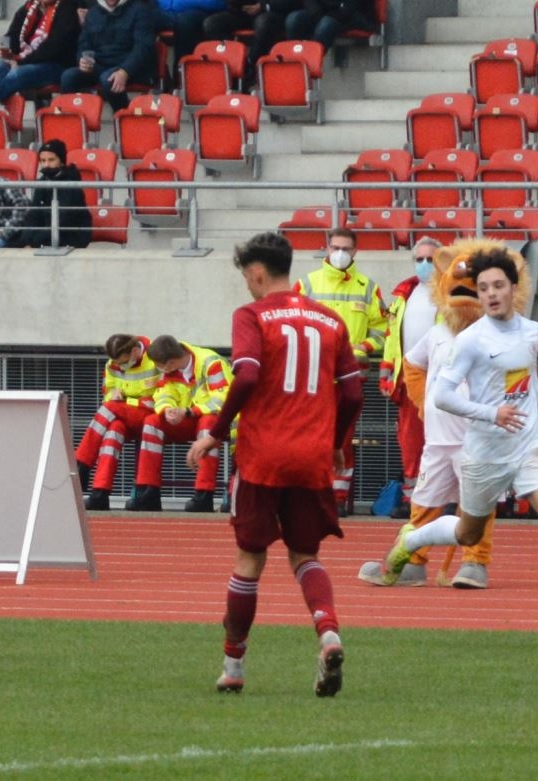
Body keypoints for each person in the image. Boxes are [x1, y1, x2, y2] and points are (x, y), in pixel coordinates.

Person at [374, 242, 538, 640]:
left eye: (498, 286)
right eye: (483, 288)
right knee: (468, 533)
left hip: (527, 444)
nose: (490, 294)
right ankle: (411, 539)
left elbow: (525, 373)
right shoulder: (471, 340)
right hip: (485, 451)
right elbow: (442, 396)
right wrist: (491, 414)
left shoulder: (533, 331)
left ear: (513, 288)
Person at [184, 230, 362, 697]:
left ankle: (233, 666)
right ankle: (328, 632)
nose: (247, 285)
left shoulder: (252, 315)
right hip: (312, 457)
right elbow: (353, 391)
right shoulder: (329, 319)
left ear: (257, 272)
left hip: (263, 457)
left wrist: (216, 431)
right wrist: (337, 442)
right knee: (305, 556)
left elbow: (247, 375)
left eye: (246, 276)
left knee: (250, 558)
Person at [359, 240, 498, 589]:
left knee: (475, 505)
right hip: (437, 439)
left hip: (475, 440)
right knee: (424, 503)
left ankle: (475, 562)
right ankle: (414, 560)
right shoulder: (437, 333)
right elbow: (412, 364)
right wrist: (423, 402)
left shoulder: (494, 335)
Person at [293, 226, 383, 513]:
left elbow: (382, 330)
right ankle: (311, 492)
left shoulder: (367, 287)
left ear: (355, 251)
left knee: (343, 437)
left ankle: (337, 497)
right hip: (313, 376)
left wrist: (363, 347)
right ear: (327, 248)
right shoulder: (306, 284)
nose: (340, 253)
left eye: (345, 248)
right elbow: (292, 327)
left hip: (350, 377)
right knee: (310, 436)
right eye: (335, 248)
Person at [376, 237, 440, 517]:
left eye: (431, 259)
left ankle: (441, 500)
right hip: (409, 378)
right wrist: (386, 371)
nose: (424, 264)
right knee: (411, 441)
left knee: (443, 440)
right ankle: (413, 499)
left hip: (442, 378)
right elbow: (392, 337)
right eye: (419, 259)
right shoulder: (404, 295)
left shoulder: (454, 293)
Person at [130, 335, 228, 512]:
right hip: (188, 417)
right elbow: (163, 394)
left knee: (208, 423)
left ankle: (204, 495)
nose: (157, 369)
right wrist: (167, 409)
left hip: (219, 421)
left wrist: (189, 411)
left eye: (158, 365)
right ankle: (148, 492)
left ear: (170, 363)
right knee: (152, 422)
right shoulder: (170, 368)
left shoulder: (211, 363)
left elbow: (221, 401)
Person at [74, 333, 161, 510]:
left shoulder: (155, 359)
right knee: (113, 430)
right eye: (118, 363)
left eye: (124, 362)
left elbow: (161, 398)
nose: (121, 367)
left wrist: (126, 401)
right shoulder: (111, 365)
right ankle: (100, 493)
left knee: (109, 409)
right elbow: (107, 392)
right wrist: (112, 395)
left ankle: (81, 463)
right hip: (123, 414)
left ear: (135, 351)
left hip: (151, 416)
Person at [0, 0, 80, 112]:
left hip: (56, 65)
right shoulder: (28, 8)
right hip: (27, 59)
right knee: (2, 64)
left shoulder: (68, 7)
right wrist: (5, 49)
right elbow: (11, 35)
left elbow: (54, 47)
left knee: (18, 73)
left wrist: (21, 62)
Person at [55, 0, 160, 112]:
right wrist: (82, 60)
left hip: (130, 67)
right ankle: (73, 119)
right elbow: (83, 45)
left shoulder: (140, 10)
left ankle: (124, 114)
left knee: (108, 79)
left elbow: (142, 48)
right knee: (69, 76)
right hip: (99, 65)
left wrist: (125, 71)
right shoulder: (93, 13)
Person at [14, 138, 89, 249]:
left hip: (71, 237)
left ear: (61, 161)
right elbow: (33, 214)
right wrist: (27, 238)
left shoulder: (71, 184)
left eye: (51, 160)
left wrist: (33, 241)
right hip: (46, 235)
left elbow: (63, 220)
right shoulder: (42, 182)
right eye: (43, 161)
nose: (46, 165)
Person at [203, 1, 296, 78]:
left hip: (270, 11)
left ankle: (252, 63)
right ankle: (237, 59)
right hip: (243, 12)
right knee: (211, 24)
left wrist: (262, 6)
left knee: (263, 23)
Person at [283, 0, 374, 52]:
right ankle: (295, 59)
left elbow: (351, 7)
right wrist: (316, 12)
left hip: (350, 14)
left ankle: (311, 62)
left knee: (325, 24)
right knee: (294, 19)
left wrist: (332, 14)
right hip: (321, 12)